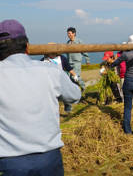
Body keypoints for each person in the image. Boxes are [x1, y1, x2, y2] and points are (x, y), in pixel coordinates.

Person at [0, 19, 81, 175]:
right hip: (49, 158)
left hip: (9, 162)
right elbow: (75, 95)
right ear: (27, 46)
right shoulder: (50, 71)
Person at [41, 42, 80, 113]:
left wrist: (74, 75)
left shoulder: (61, 58)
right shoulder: (43, 60)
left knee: (64, 93)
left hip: (61, 79)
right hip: (49, 80)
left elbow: (68, 68)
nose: (52, 54)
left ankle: (67, 104)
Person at [66, 27, 90, 91]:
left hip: (76, 62)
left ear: (74, 33)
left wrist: (87, 60)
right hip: (69, 62)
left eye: (69, 33)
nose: (68, 35)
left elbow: (84, 51)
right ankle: (76, 90)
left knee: (76, 76)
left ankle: (83, 87)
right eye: (67, 33)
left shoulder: (79, 41)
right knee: (70, 78)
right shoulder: (68, 43)